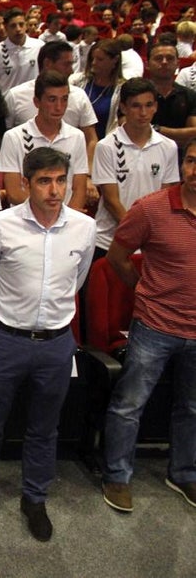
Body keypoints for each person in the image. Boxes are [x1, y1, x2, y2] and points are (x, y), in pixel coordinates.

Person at [0, 148, 96, 542]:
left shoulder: (84, 228)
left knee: (45, 428)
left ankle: (34, 498)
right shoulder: (1, 226)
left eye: (61, 181)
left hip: (56, 344)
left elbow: (77, 281)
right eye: (44, 181)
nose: (55, 190)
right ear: (25, 184)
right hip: (6, 340)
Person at [101, 137, 196, 513]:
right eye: (191, 161)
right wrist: (144, 290)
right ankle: (117, 475)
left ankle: (184, 473)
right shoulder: (151, 208)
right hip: (154, 325)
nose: (195, 170)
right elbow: (117, 256)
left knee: (192, 407)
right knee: (129, 404)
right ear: (182, 165)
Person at [91, 78, 179, 261]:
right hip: (108, 242)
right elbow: (111, 201)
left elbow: (165, 196)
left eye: (148, 105)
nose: (143, 113)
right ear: (123, 108)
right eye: (136, 106)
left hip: (151, 244)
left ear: (156, 107)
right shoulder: (106, 146)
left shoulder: (169, 147)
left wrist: (149, 236)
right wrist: (138, 233)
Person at [0, 69, 90, 211]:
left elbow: (79, 189)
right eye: (52, 100)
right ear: (37, 102)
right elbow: (14, 192)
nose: (59, 107)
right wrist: (49, 214)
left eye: (64, 99)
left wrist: (65, 218)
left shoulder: (77, 137)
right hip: (25, 219)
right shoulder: (14, 137)